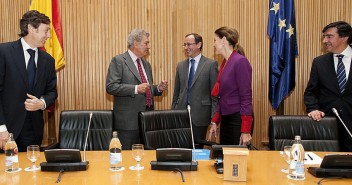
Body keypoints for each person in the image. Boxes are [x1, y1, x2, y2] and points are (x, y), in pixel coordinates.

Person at [0, 10, 58, 152]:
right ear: (32, 28)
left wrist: (42, 103)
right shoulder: (4, 52)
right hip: (6, 129)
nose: (49, 36)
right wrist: (1, 129)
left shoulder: (48, 60)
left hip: (33, 131)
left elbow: (52, 92)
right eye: (46, 31)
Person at [106, 28, 168, 150]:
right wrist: (135, 89)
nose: (148, 46)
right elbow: (111, 86)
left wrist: (158, 89)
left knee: (146, 158)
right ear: (135, 43)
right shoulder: (119, 61)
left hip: (148, 119)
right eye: (146, 43)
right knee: (128, 158)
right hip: (128, 122)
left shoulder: (146, 64)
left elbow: (146, 89)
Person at [304, 21, 352, 152]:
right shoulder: (319, 62)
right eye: (324, 37)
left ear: (344, 37)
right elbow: (311, 92)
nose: (325, 40)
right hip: (327, 127)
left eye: (329, 36)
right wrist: (313, 108)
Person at [207, 27, 253, 146]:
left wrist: (246, 130)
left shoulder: (240, 61)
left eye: (215, 40)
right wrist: (215, 122)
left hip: (237, 120)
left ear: (223, 40)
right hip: (226, 119)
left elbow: (246, 97)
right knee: (225, 159)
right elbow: (222, 98)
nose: (213, 44)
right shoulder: (224, 63)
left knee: (235, 161)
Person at [172, 33, 218, 141]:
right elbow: (176, 93)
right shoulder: (180, 66)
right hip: (181, 116)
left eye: (189, 44)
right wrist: (173, 113)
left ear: (199, 45)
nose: (186, 48)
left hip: (200, 116)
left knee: (198, 152)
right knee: (182, 150)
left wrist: (213, 119)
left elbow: (214, 95)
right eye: (184, 45)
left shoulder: (210, 65)